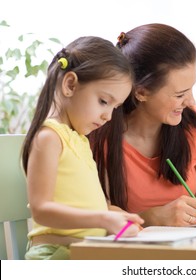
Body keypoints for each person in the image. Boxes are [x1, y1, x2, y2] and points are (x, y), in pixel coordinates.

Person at [89, 23, 196, 227]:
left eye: (191, 88)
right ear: (141, 92)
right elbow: (94, 218)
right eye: (180, 94)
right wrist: (151, 218)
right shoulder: (98, 133)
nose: (191, 101)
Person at [21, 36, 144, 260]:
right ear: (70, 85)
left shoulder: (79, 139)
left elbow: (90, 203)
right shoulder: (49, 138)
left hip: (84, 253)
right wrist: (102, 218)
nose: (108, 116)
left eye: (115, 108)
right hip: (53, 256)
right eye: (104, 101)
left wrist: (119, 216)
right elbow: (41, 209)